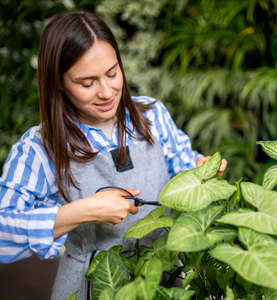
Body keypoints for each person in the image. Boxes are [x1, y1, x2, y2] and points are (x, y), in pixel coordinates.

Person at [0, 10, 226, 300]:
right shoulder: (39, 147)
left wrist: (200, 170)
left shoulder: (153, 114)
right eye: (87, 83)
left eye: (112, 73)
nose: (107, 92)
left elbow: (183, 169)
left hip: (166, 273)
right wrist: (86, 210)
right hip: (93, 286)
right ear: (58, 82)